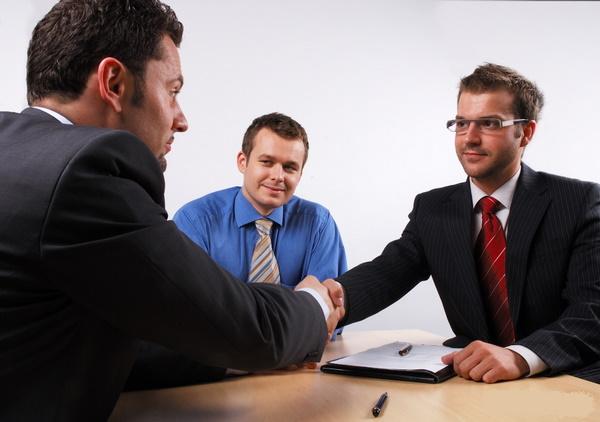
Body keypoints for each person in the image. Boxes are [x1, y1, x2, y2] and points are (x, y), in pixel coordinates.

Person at [0, 1, 342, 420]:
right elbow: (243, 326)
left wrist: (230, 350)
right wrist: (314, 303)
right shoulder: (87, 172)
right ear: (114, 82)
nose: (181, 121)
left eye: (291, 166)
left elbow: (125, 341)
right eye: (173, 91)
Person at [324, 63, 600, 384]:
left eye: (489, 123)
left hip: (565, 376)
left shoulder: (579, 202)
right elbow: (388, 272)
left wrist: (520, 356)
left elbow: (592, 310)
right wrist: (327, 302)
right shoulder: (433, 208)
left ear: (525, 132)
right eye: (461, 122)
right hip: (473, 380)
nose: (470, 137)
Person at [173, 112, 347, 289]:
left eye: (289, 167)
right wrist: (297, 296)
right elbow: (193, 303)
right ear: (243, 162)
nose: (278, 176)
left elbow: (326, 309)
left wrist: (228, 293)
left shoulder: (318, 224)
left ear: (300, 174)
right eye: (266, 162)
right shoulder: (195, 220)